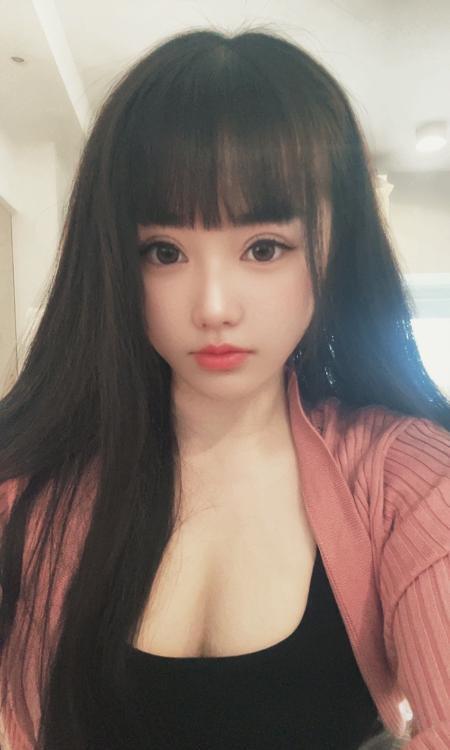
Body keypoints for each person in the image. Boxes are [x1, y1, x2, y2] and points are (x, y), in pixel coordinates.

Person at [0, 26, 449, 750]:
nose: (213, 307)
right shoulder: (29, 487)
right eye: (164, 251)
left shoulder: (406, 480)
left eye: (264, 248)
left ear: (332, 248)